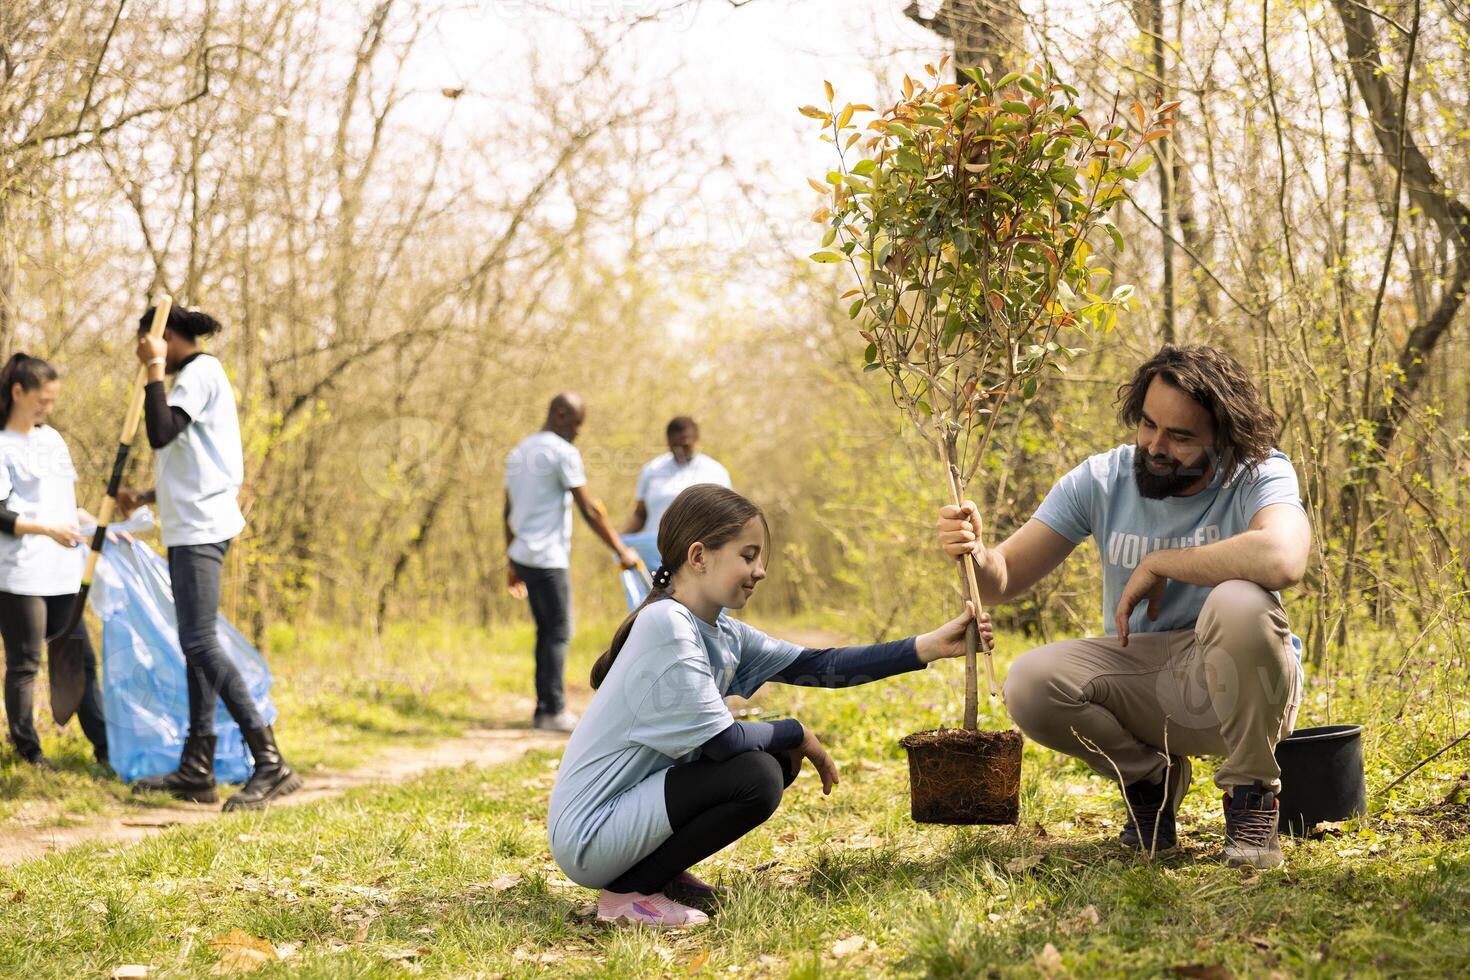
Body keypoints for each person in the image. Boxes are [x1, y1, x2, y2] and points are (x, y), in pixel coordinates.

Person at [548, 484, 989, 928]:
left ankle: (655, 873)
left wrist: (930, 645)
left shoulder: (721, 631)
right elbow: (723, 742)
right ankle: (627, 896)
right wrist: (797, 732)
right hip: (592, 832)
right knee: (755, 773)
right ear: (699, 556)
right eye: (748, 555)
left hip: (622, 820)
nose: (760, 571)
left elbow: (824, 666)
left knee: (770, 761)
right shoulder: (666, 624)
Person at [936, 344, 1309, 869]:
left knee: (1240, 599)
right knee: (1029, 681)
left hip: (1244, 688)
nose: (1156, 446)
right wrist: (973, 550)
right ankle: (1149, 779)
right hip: (1147, 678)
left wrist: (1162, 562)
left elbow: (1284, 558)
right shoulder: (1101, 479)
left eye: (1180, 437)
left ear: (1222, 437)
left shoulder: (1257, 472)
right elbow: (1001, 580)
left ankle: (1251, 796)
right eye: (1148, 424)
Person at [116, 305, 301, 810]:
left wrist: (154, 367)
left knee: (200, 642)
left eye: (148, 342)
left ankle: (270, 762)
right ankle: (197, 768)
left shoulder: (200, 371)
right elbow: (192, 457)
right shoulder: (193, 380)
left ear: (168, 337)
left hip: (201, 530)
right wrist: (147, 497)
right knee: (195, 645)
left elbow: (160, 431)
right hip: (186, 527)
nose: (142, 352)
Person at [505, 392, 641, 733]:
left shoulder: (519, 452)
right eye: (577, 423)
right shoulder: (562, 452)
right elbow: (590, 509)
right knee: (560, 630)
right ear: (561, 415)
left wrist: (511, 559)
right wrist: (621, 550)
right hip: (547, 557)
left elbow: (507, 512)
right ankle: (552, 711)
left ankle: (544, 709)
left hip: (523, 555)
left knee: (546, 632)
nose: (579, 432)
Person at [0, 354, 109, 771]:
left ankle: (104, 748)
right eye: (42, 399)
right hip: (20, 575)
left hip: (64, 572)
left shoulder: (54, 440)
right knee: (25, 664)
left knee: (79, 660)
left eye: (52, 399)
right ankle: (29, 753)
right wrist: (48, 531)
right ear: (18, 393)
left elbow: (66, 505)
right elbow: (3, 514)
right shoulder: (3, 445)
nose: (48, 407)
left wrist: (99, 526)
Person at [621, 416, 732, 561]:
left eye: (686, 445)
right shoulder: (652, 470)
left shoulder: (715, 473)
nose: (680, 451)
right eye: (675, 446)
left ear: (696, 441)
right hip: (656, 555)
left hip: (699, 557)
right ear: (667, 443)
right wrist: (619, 542)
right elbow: (640, 514)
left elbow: (728, 519)